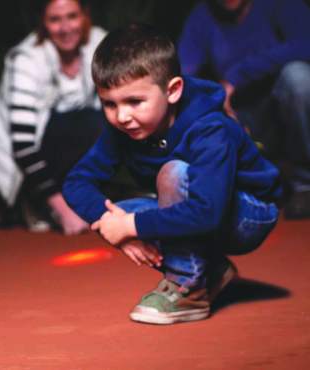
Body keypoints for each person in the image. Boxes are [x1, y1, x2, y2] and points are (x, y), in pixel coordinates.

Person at [63, 23, 282, 325]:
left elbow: (208, 211)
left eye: (134, 102)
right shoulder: (125, 128)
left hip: (248, 214)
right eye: (109, 104)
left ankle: (188, 289)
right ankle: (213, 271)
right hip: (203, 210)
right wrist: (116, 228)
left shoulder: (210, 128)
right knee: (114, 213)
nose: (122, 116)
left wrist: (132, 226)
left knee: (173, 174)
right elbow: (77, 182)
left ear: (173, 90)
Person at [0, 0, 107, 235]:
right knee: (85, 123)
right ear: (42, 23)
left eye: (72, 16)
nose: (66, 28)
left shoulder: (99, 43)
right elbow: (22, 144)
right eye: (55, 19)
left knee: (104, 119)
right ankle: (38, 202)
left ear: (85, 15)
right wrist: (63, 210)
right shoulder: (26, 59)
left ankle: (86, 196)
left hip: (65, 139)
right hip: (19, 157)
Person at [178, 0, 310, 219]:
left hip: (287, 111)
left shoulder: (283, 4)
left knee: (299, 79)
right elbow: (183, 72)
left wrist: (237, 76)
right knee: (192, 103)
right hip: (244, 117)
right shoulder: (202, 15)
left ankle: (305, 183)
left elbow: (306, 44)